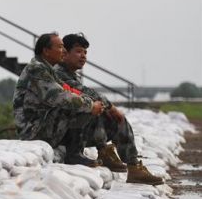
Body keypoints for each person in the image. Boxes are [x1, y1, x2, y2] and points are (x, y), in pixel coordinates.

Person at [54, 33, 163, 185]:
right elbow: (85, 93)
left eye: (85, 53)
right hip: (58, 131)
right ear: (64, 53)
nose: (83, 56)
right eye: (78, 51)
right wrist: (111, 107)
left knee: (111, 117)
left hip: (69, 130)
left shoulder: (70, 74)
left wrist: (109, 110)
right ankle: (127, 163)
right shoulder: (58, 73)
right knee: (97, 109)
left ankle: (121, 160)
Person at [13, 32, 105, 167]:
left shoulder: (47, 69)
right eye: (60, 47)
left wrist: (91, 101)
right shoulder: (37, 69)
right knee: (75, 106)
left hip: (41, 124)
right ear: (46, 51)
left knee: (84, 104)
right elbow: (60, 97)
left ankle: (95, 151)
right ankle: (74, 155)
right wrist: (91, 105)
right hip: (32, 131)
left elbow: (66, 89)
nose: (64, 51)